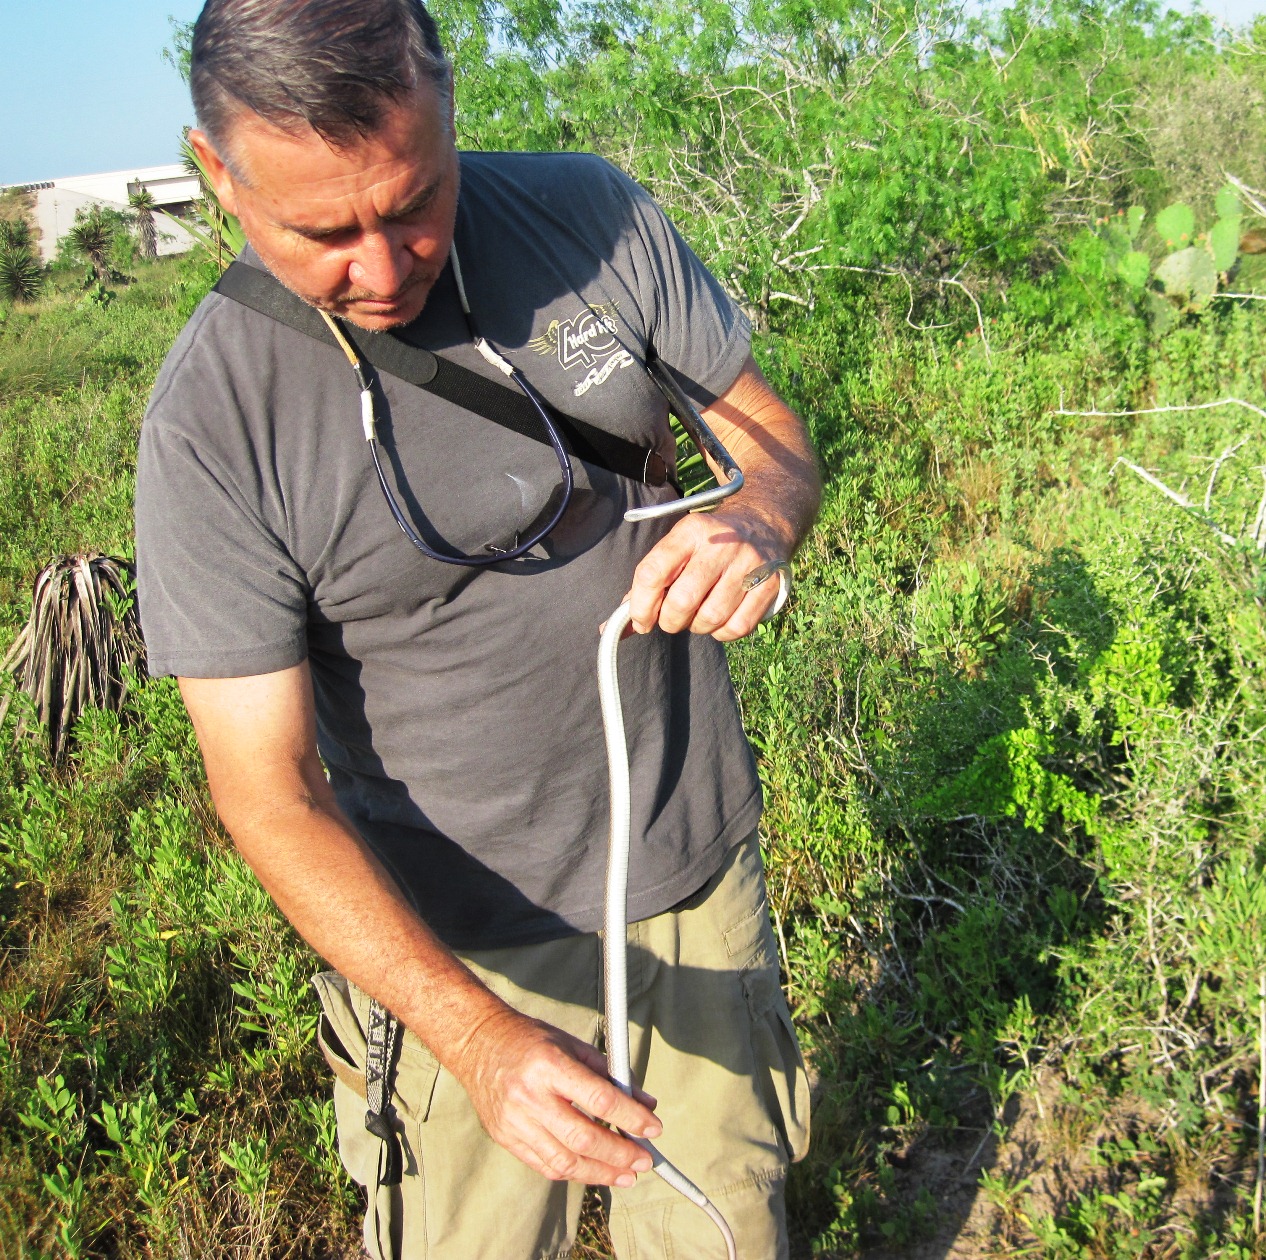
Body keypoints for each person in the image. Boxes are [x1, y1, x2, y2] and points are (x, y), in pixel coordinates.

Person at [135, 1, 821, 1256]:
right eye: (324, 232)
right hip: (447, 952)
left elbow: (769, 443)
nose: (386, 267)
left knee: (729, 1221)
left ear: (449, 110)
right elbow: (266, 792)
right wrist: (476, 1039)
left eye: (416, 203)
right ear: (215, 177)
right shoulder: (211, 423)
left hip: (689, 872)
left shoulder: (590, 217)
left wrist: (761, 520)